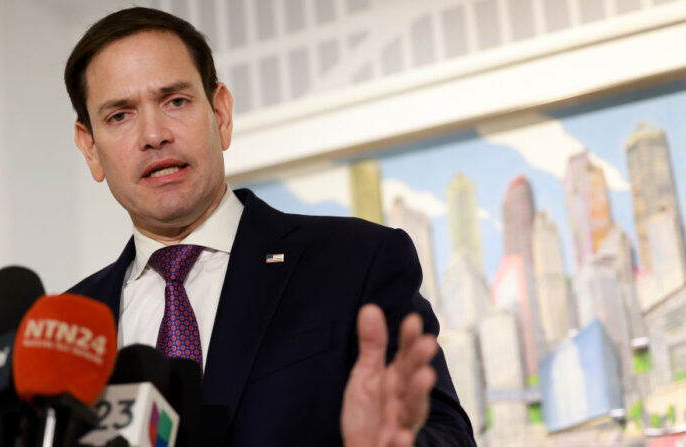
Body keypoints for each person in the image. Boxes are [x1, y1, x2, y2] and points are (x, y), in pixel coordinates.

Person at [65, 7, 475, 447]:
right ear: (90, 148)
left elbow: (443, 433)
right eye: (119, 116)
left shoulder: (354, 262)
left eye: (175, 101)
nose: (153, 134)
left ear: (220, 114)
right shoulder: (67, 330)